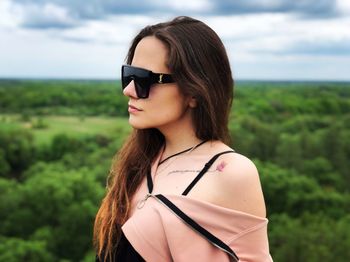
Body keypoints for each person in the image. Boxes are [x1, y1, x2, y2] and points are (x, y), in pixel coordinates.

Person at [94, 16, 272, 262]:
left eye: (144, 79)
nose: (129, 90)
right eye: (129, 75)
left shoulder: (232, 172)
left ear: (194, 91)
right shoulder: (140, 162)